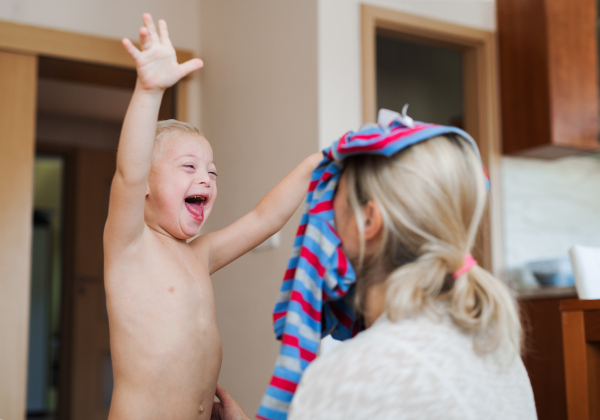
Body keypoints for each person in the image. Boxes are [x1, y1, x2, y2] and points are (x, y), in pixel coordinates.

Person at [104, 14, 322, 420]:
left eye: (212, 171)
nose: (205, 176)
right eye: (188, 167)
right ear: (146, 188)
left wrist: (317, 163)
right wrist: (150, 90)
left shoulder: (198, 255)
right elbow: (128, 173)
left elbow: (263, 219)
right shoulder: (129, 245)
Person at [286, 133, 537, 419]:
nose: (324, 215)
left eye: (333, 200)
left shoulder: (353, 372)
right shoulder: (496, 348)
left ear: (367, 220)